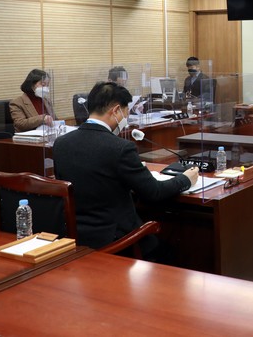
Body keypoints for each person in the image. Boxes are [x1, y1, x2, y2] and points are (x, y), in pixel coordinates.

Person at [53, 81, 199, 257]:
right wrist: (185, 179)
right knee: (173, 252)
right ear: (116, 110)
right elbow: (154, 192)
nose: (125, 119)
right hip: (117, 240)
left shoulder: (61, 144)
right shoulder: (121, 148)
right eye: (126, 112)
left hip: (75, 238)